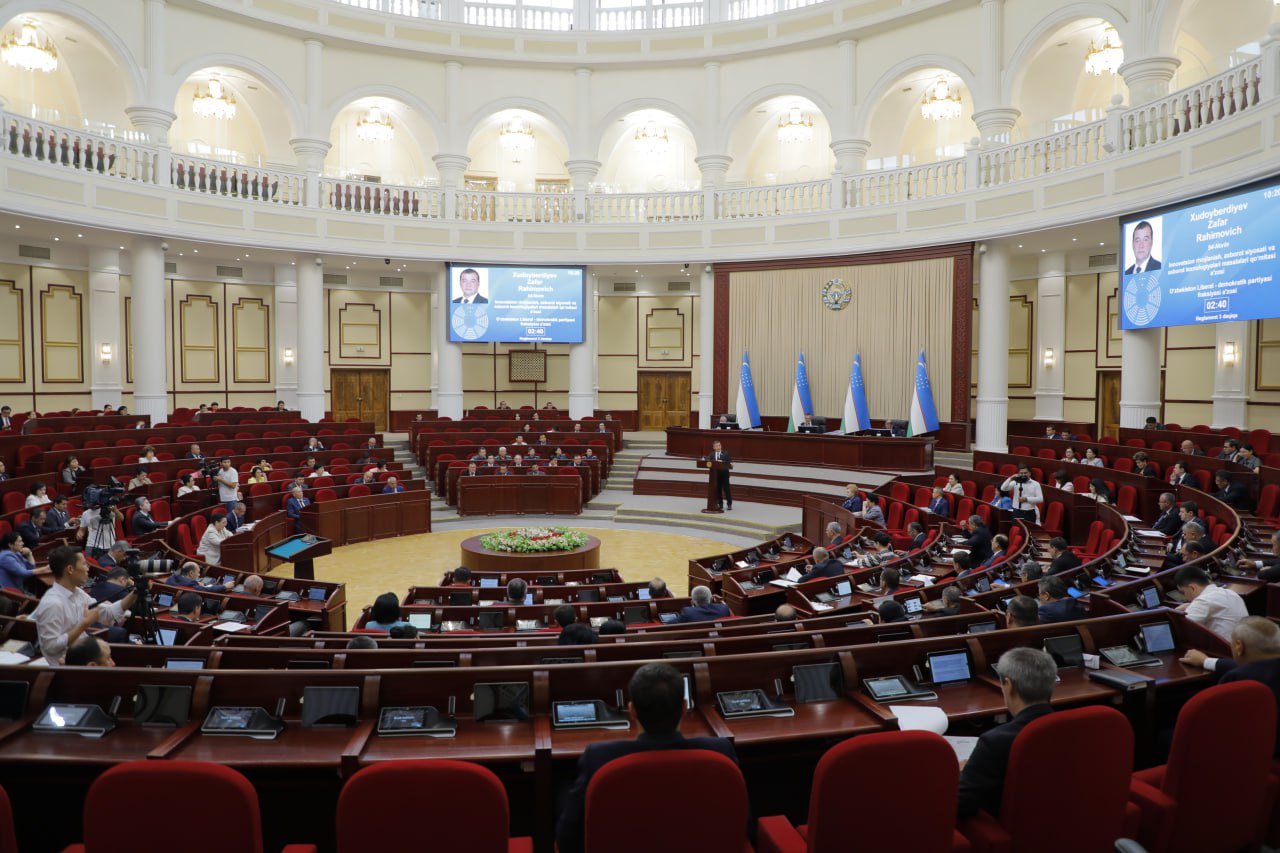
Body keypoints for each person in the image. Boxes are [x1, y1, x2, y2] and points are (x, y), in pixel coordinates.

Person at [556, 663, 738, 853]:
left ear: (632, 711)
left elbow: (567, 840)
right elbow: (741, 823)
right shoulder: (720, 751)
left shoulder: (599, 758)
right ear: (684, 707)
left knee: (562, 792)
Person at [956, 648, 1056, 819]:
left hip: (1015, 833)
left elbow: (961, 807)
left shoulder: (995, 742)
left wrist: (960, 775)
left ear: (1008, 686)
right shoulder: (1079, 730)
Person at [1179, 617, 1280, 755]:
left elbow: (1214, 725)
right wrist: (1205, 661)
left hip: (1250, 756)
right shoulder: (1261, 669)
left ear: (1239, 646)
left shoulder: (1238, 678)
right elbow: (1258, 666)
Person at [33, 546, 135, 666]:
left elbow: (109, 613)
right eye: (84, 564)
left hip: (84, 657)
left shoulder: (78, 593)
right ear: (70, 569)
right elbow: (50, 647)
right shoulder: (52, 603)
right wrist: (84, 625)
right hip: (67, 670)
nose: (88, 568)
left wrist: (137, 592)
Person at [1174, 565, 1247, 641]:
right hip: (1245, 645)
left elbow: (1179, 629)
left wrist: (1177, 611)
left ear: (1192, 587)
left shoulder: (1203, 601)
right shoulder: (1230, 592)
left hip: (1229, 650)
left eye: (1183, 592)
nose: (1185, 598)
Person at [166, 561, 233, 593]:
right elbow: (207, 590)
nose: (199, 575)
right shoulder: (191, 584)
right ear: (191, 573)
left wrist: (197, 583)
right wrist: (225, 586)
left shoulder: (172, 577)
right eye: (198, 572)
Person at [707, 440, 732, 511]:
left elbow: (729, 462)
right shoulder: (711, 454)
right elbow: (708, 460)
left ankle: (729, 504)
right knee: (718, 490)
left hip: (724, 474)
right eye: (716, 446)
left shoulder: (726, 453)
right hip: (715, 475)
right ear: (713, 447)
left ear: (721, 446)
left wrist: (723, 462)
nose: (718, 447)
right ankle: (720, 504)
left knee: (727, 489)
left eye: (719, 445)